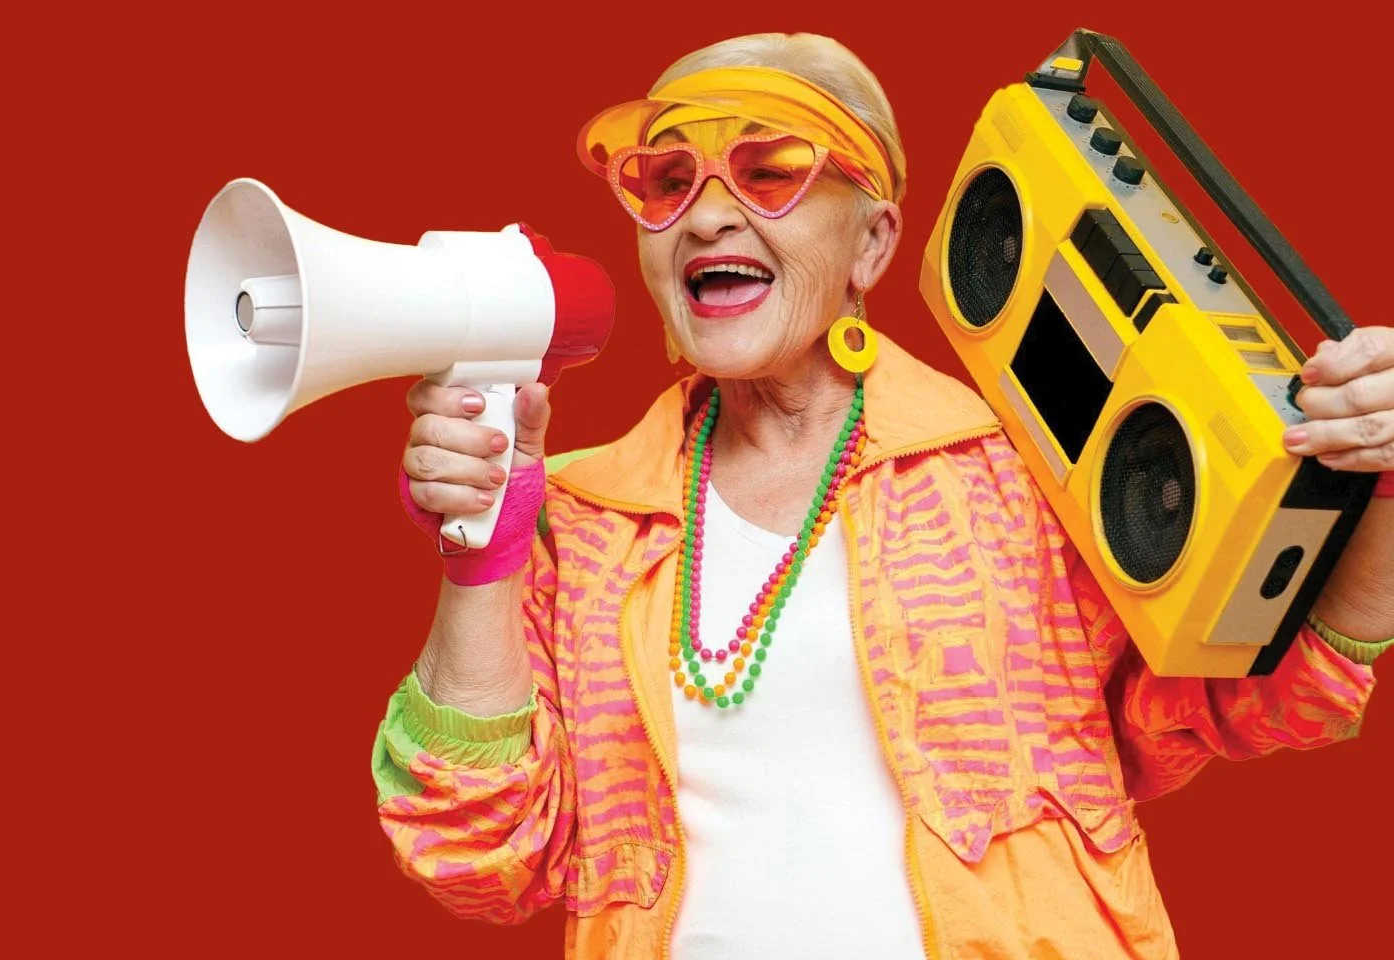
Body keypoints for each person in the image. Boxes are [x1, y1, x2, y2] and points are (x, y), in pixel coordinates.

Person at [371, 31, 1394, 960]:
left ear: (872, 244)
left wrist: (1385, 489)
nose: (708, 214)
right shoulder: (584, 517)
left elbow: (1242, 700)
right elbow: (482, 854)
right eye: (666, 180)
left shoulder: (1026, 463)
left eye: (770, 170)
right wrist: (483, 554)